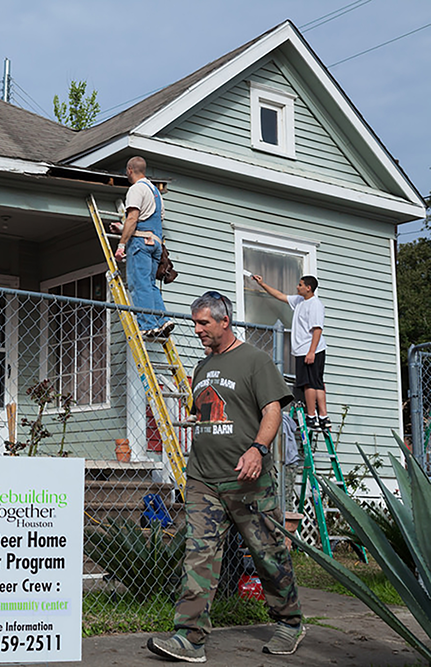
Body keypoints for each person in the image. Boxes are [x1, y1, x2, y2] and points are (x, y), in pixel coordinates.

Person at [147, 291, 304, 663]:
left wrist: (258, 449)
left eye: (204, 323)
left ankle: (290, 622)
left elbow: (272, 413)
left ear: (224, 321)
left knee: (268, 554)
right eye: (195, 322)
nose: (197, 329)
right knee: (197, 557)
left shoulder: (255, 361)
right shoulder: (201, 368)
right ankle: (189, 638)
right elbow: (206, 416)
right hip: (203, 478)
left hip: (247, 480)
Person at [252, 274, 329, 431]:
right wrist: (262, 284)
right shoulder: (300, 301)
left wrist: (311, 352)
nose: (297, 287)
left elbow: (317, 330)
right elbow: (280, 296)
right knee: (317, 382)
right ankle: (323, 417)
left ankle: (312, 416)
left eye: (300, 285)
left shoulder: (314, 305)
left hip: (309, 349)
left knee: (309, 384)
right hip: (305, 349)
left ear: (308, 288)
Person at [113, 156, 173, 339]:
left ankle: (147, 326)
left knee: (139, 285)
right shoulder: (156, 193)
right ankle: (163, 320)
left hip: (140, 244)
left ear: (130, 169)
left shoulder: (136, 189)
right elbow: (148, 222)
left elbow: (133, 218)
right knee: (149, 285)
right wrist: (123, 229)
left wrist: (121, 244)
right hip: (155, 244)